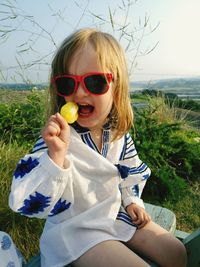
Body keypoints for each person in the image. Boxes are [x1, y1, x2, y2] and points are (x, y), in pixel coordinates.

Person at [9, 28, 187, 267]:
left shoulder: (117, 135)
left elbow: (130, 174)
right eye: (67, 83)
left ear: (117, 86)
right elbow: (24, 202)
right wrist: (55, 159)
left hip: (112, 215)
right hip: (76, 229)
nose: (79, 92)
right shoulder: (57, 140)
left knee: (176, 252)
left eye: (94, 82)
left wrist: (132, 201)